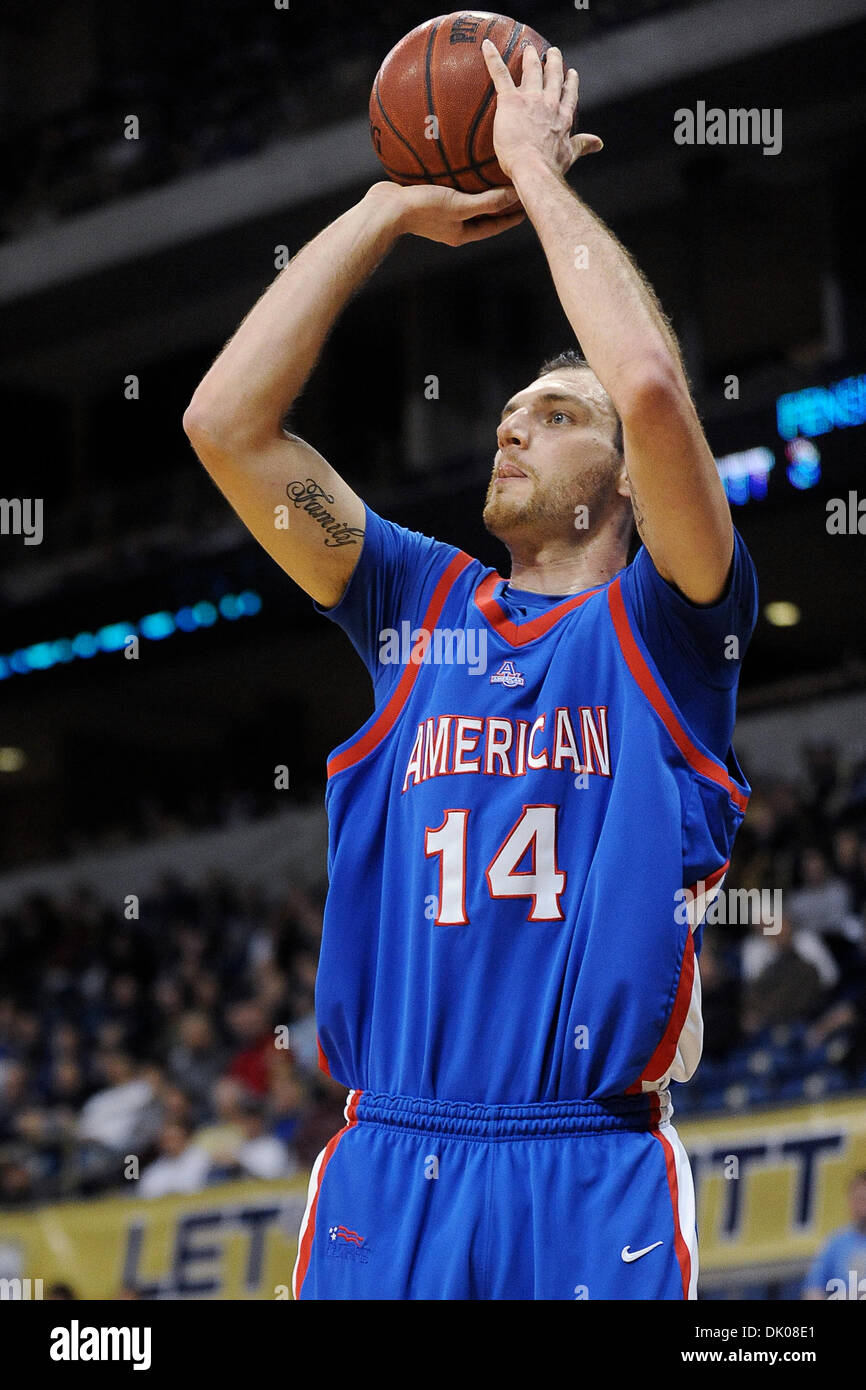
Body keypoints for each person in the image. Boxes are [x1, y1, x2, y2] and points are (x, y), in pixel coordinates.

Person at [184, 42, 757, 1300]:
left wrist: (532, 173)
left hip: (581, 1165)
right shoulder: (413, 607)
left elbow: (651, 386)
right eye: (507, 412)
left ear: (619, 482)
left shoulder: (672, 629)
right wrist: (385, 205)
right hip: (388, 1157)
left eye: (556, 416)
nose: (510, 425)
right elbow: (225, 425)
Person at [803, 1171, 866, 1299]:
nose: (859, 1206)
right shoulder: (836, 1243)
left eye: (863, 1199)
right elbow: (813, 1289)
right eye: (855, 1199)